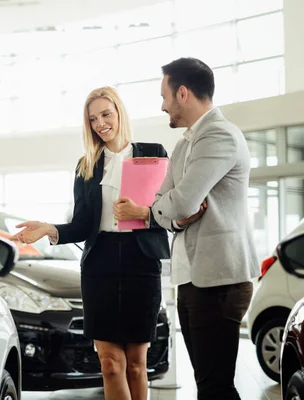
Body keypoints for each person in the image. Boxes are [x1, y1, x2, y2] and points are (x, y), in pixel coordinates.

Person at [10, 86, 170, 400]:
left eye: (105, 114)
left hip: (142, 263)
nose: (100, 123)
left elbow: (170, 211)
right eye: (93, 119)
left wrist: (144, 213)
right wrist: (48, 229)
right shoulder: (87, 166)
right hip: (101, 266)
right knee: (110, 363)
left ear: (120, 112)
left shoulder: (155, 154)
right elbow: (84, 225)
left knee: (137, 365)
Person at [149, 57, 259, 400]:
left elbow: (177, 201)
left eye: (165, 95)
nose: (162, 104)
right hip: (194, 278)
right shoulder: (184, 144)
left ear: (182, 93)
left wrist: (172, 210)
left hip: (220, 280)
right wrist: (175, 216)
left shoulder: (220, 135)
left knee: (214, 387)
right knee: (210, 387)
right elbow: (162, 204)